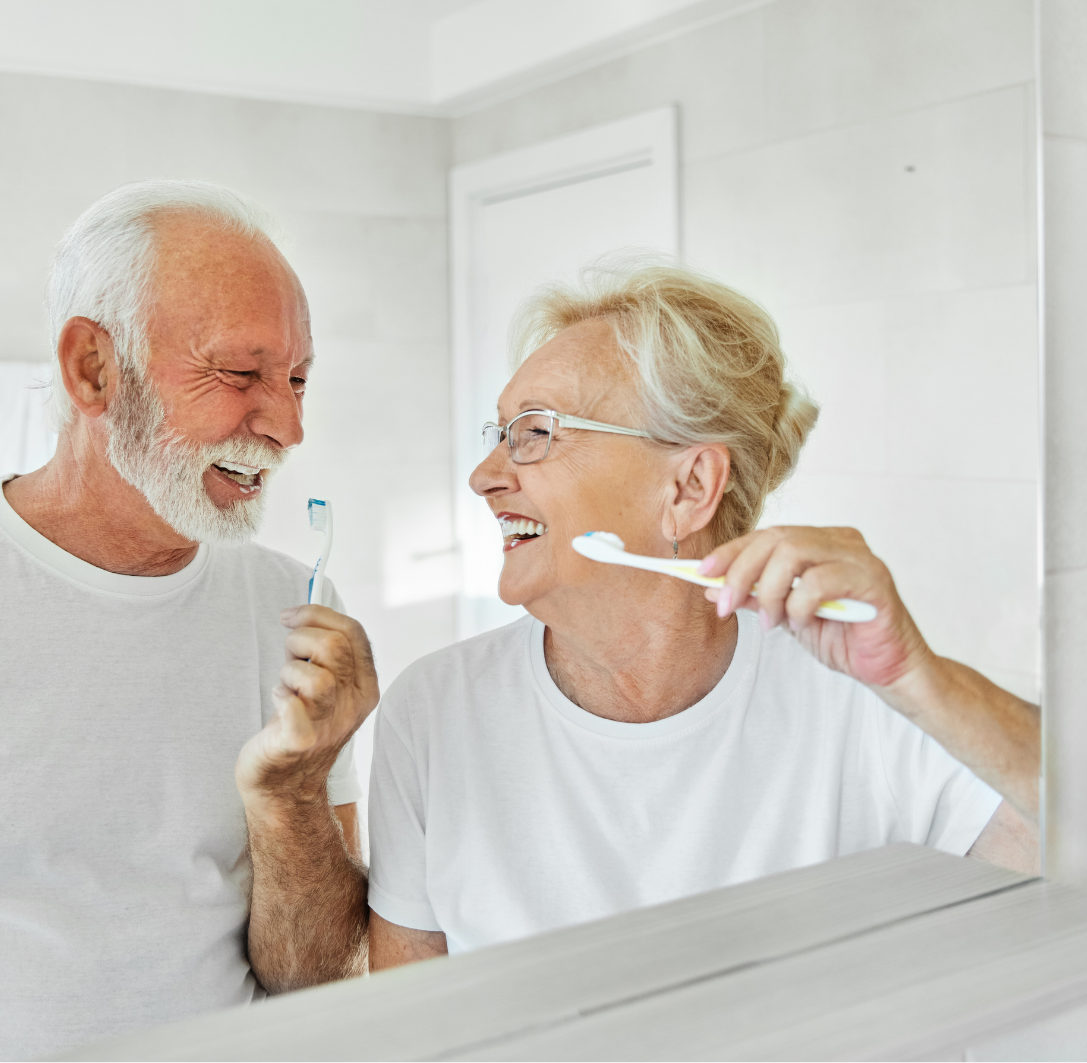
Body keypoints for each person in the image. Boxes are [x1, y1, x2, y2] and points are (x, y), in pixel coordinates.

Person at [247, 262, 1039, 987]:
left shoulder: (863, 703)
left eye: (536, 431)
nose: (485, 476)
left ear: (688, 486)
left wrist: (914, 677)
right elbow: (412, 1020)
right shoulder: (437, 708)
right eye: (500, 434)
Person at [0, 181, 376, 1061]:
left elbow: (315, 982)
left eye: (296, 380)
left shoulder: (297, 609)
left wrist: (289, 791)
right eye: (240, 374)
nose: (286, 425)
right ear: (93, 368)